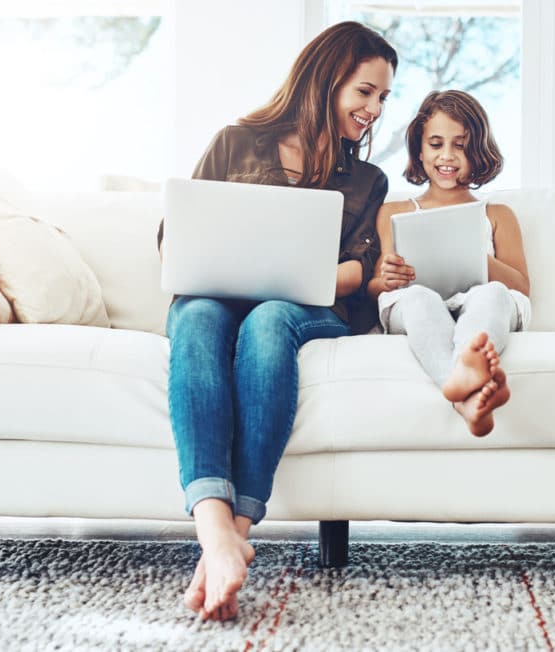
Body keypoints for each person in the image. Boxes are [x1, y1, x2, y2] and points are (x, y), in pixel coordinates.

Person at [158, 22, 397, 621]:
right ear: (327, 79)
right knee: (196, 314)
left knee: (268, 320)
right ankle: (217, 533)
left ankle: (236, 529)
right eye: (365, 92)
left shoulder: (367, 180)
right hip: (217, 295)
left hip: (310, 310)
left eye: (382, 98)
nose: (374, 109)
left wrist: (299, 268)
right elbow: (176, 238)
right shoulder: (236, 142)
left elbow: (358, 271)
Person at [368, 90, 530, 438]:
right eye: (436, 143)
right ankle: (465, 392)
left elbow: (521, 285)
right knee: (418, 298)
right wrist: (387, 277)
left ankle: (463, 394)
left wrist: (473, 253)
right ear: (420, 149)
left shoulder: (497, 215)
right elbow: (375, 286)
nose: (447, 155)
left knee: (493, 294)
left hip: (480, 302)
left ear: (478, 150)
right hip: (418, 303)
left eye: (460, 145)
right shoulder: (393, 212)